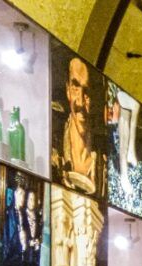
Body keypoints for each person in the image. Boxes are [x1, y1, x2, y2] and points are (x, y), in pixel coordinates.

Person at [56, 57, 101, 194]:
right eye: (75, 88)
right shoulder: (53, 145)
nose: (81, 102)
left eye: (87, 92)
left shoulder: (102, 156)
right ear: (67, 90)